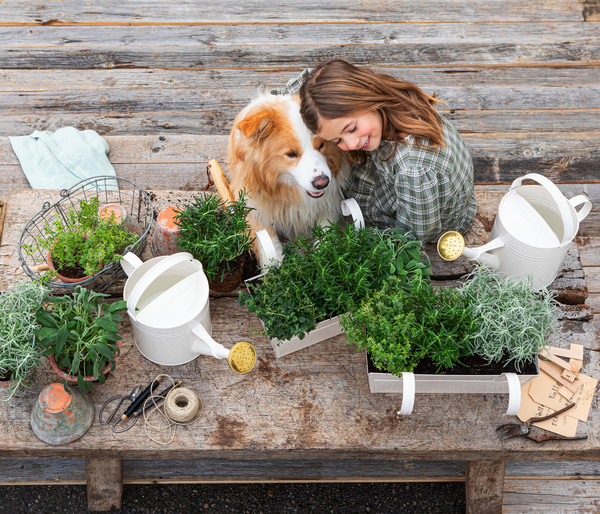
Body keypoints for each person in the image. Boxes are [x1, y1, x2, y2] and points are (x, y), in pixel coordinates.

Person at [273, 59, 477, 243]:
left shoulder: (412, 170)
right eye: (337, 140)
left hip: (425, 220)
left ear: (366, 96)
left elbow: (412, 237)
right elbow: (310, 84)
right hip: (415, 193)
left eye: (351, 129)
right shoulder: (382, 104)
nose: (351, 144)